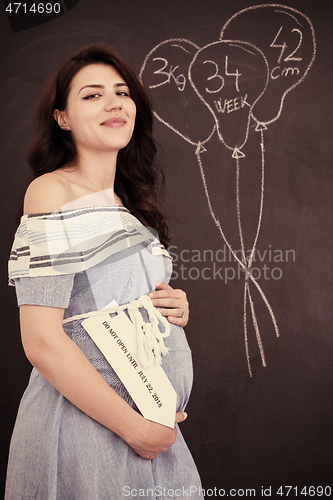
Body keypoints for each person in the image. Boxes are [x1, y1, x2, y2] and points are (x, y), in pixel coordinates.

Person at [5, 44, 201, 499]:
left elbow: (106, 299)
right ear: (62, 118)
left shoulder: (130, 207)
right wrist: (134, 427)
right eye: (92, 95)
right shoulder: (51, 193)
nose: (114, 102)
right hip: (89, 427)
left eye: (122, 92)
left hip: (149, 429)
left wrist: (168, 305)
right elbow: (41, 341)